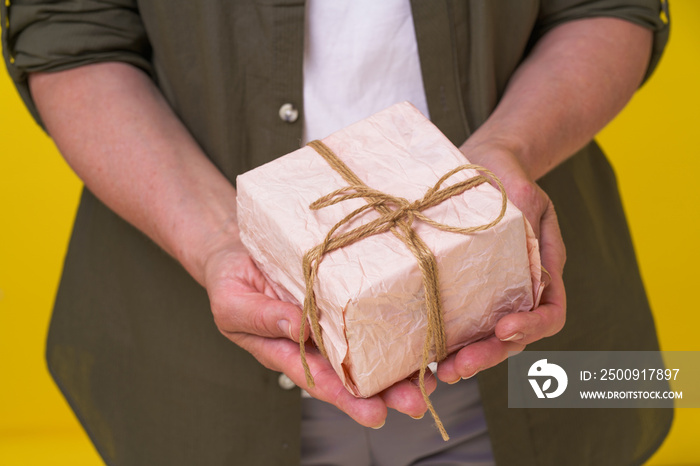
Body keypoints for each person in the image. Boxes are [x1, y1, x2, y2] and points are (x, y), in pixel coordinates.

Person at [1, 0, 671, 464]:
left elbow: (608, 6)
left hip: (537, 352)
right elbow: (69, 31)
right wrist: (215, 242)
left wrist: (511, 151)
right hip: (194, 378)